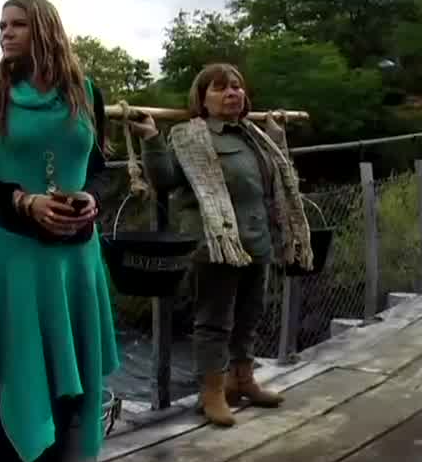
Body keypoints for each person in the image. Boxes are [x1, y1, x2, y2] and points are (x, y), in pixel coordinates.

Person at [0, 0, 120, 462]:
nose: (5, 32)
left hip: (75, 257)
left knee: (68, 359)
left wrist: (92, 196)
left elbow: (99, 166)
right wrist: (23, 201)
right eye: (2, 25)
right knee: (6, 360)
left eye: (18, 24)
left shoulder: (86, 94)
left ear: (45, 30)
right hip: (13, 254)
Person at [127, 63, 313, 428]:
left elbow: (275, 178)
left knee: (249, 314)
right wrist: (150, 138)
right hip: (215, 243)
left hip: (256, 239)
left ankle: (242, 380)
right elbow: (164, 180)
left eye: (236, 87)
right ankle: (211, 392)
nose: (232, 93)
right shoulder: (189, 136)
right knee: (214, 321)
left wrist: (278, 137)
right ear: (202, 99)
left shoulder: (255, 135)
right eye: (220, 88)